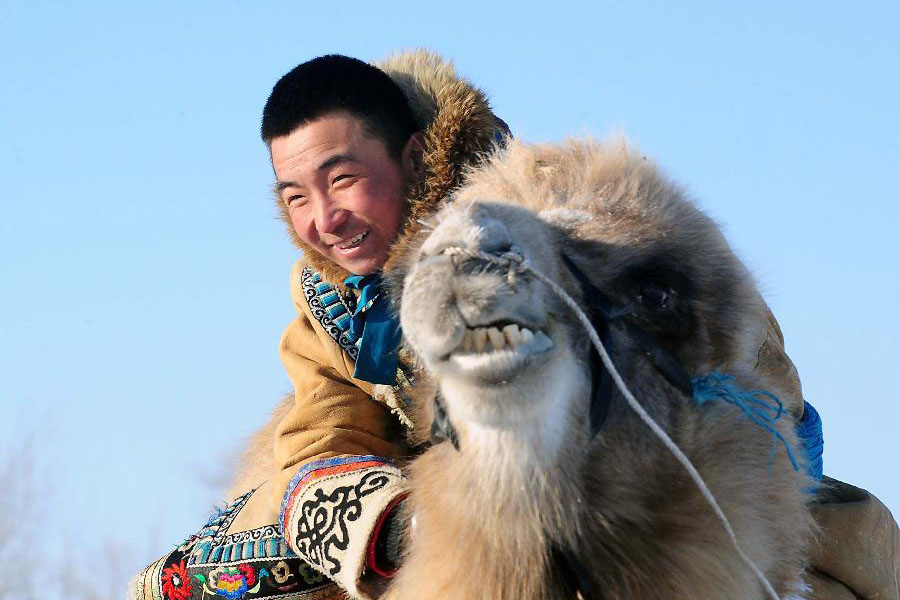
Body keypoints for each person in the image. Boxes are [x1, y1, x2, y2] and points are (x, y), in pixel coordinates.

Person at [131, 51, 898, 600]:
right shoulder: (331, 304)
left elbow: (746, 353)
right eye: (296, 196)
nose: (323, 219)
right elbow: (321, 435)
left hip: (648, 465)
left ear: (411, 156)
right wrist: (396, 525)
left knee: (843, 554)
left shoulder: (569, 203)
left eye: (344, 180)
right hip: (452, 496)